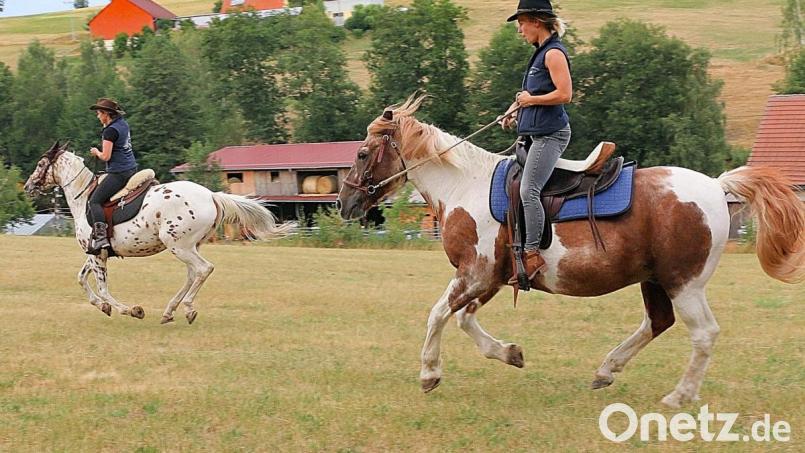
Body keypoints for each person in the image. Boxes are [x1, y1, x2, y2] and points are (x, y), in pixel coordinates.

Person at [501, 0, 572, 279]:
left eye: (521, 23)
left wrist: (531, 100)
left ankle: (532, 257)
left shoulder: (553, 54)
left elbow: (565, 94)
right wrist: (513, 110)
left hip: (550, 135)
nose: (519, 30)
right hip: (535, 134)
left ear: (536, 22)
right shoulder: (539, 54)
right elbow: (528, 95)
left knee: (527, 190)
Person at [86, 98, 138, 255]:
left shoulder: (109, 132)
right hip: (131, 169)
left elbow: (106, 156)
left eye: (98, 113)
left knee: (94, 201)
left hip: (119, 173)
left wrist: (96, 152)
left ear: (106, 114)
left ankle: (101, 237)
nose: (97, 116)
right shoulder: (123, 124)